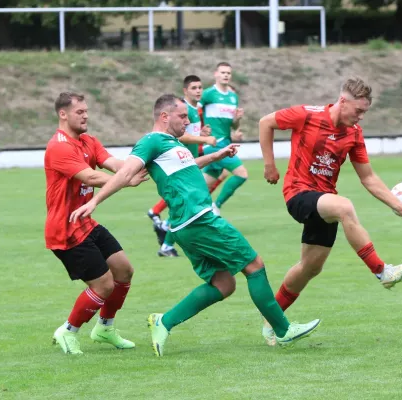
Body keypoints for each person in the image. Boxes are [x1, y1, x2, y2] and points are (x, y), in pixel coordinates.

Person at [70, 94, 321, 357]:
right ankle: (282, 330)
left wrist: (216, 156)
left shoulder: (170, 143)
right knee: (254, 266)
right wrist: (95, 200)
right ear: (164, 116)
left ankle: (163, 322)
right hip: (199, 218)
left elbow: (188, 166)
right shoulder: (151, 141)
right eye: (182, 116)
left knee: (224, 283)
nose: (188, 122)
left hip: (185, 225)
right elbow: (124, 172)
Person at [258, 78, 402, 346]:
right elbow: (265, 122)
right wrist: (270, 164)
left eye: (365, 112)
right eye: (358, 111)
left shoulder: (354, 134)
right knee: (344, 206)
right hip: (299, 194)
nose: (361, 117)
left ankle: (272, 321)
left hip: (324, 202)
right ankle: (382, 271)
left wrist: (400, 207)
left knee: (310, 267)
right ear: (342, 101)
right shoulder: (307, 115)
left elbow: (369, 178)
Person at [44, 92, 148, 355]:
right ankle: (68, 330)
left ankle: (105, 328)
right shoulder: (59, 146)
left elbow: (114, 164)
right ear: (63, 114)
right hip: (65, 229)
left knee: (124, 270)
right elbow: (90, 176)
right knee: (103, 285)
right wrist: (126, 180)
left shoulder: (88, 141)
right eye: (80, 112)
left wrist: (144, 164)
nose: (86, 115)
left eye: (86, 111)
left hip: (86, 222)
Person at [147, 75, 217, 257]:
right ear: (185, 90)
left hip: (191, 162)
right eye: (194, 88)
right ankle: (167, 241)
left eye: (201, 87)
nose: (199, 91)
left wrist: (200, 133)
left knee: (188, 203)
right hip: (182, 166)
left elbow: (188, 133)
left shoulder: (194, 110)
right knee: (187, 204)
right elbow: (181, 137)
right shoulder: (185, 111)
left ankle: (166, 236)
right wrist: (205, 138)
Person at [201, 62, 247, 216]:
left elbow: (233, 126)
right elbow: (194, 111)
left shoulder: (233, 98)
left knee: (200, 190)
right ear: (216, 74)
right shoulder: (208, 94)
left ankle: (169, 224)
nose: (226, 75)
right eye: (223, 72)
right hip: (214, 144)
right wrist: (199, 132)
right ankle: (216, 205)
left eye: (228, 73)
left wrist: (237, 119)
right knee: (242, 174)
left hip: (226, 144)